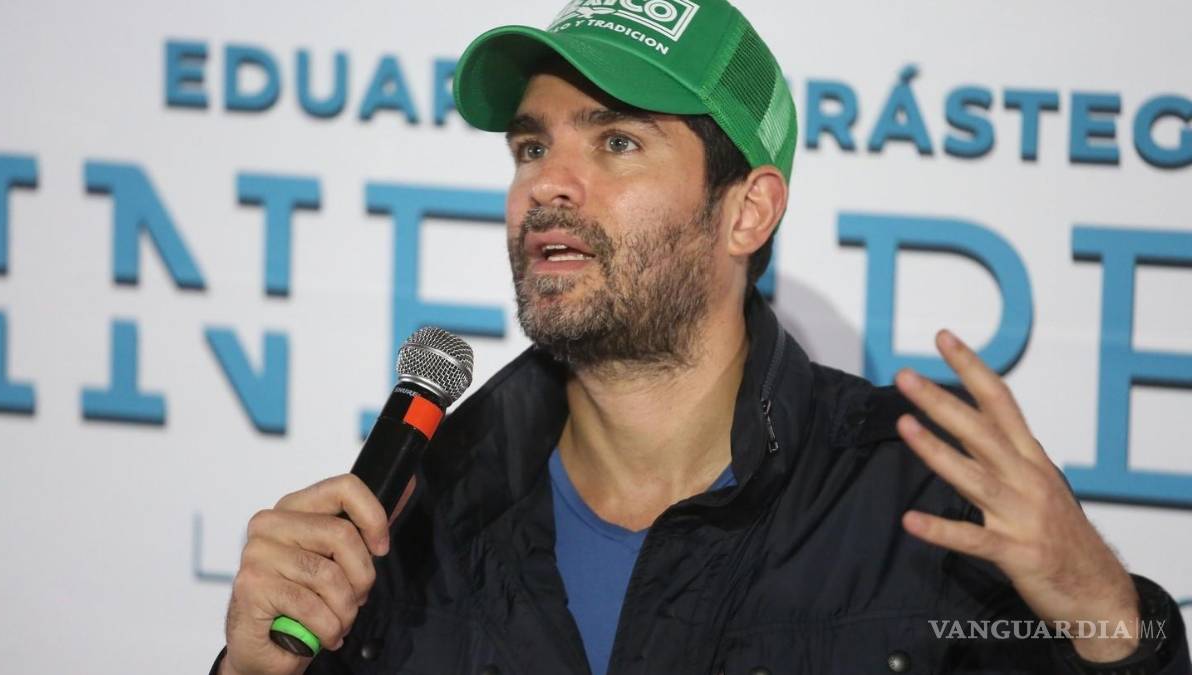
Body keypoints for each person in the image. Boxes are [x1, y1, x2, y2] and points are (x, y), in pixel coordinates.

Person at [211, 1, 1190, 673]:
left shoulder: (917, 495)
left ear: (747, 211)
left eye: (616, 141)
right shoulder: (414, 507)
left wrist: (1107, 616)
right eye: (531, 144)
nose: (548, 183)